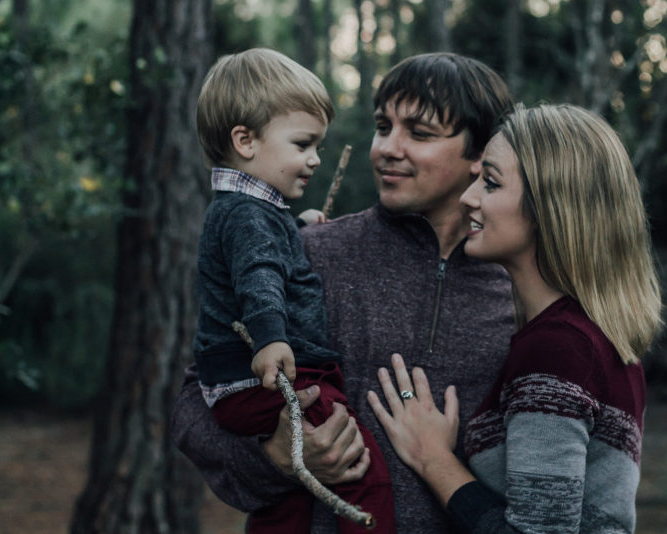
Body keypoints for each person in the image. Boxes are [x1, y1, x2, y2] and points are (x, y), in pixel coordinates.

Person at [171, 52, 517, 533]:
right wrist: (277, 458)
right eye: (382, 126)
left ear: (479, 154)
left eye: (418, 133)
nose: (387, 149)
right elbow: (195, 404)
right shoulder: (310, 253)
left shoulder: (518, 292)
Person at [368, 103, 664, 533]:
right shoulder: (588, 335)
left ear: (550, 206)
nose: (468, 198)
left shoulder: (558, 349)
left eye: (490, 183)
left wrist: (435, 460)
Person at [192, 48, 394, 533]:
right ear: (245, 140)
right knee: (366, 477)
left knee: (288, 503)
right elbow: (258, 272)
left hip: (234, 383)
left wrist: (295, 230)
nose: (314, 159)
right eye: (303, 144)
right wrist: (270, 337)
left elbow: (259, 252)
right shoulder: (248, 215)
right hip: (268, 379)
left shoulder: (248, 210)